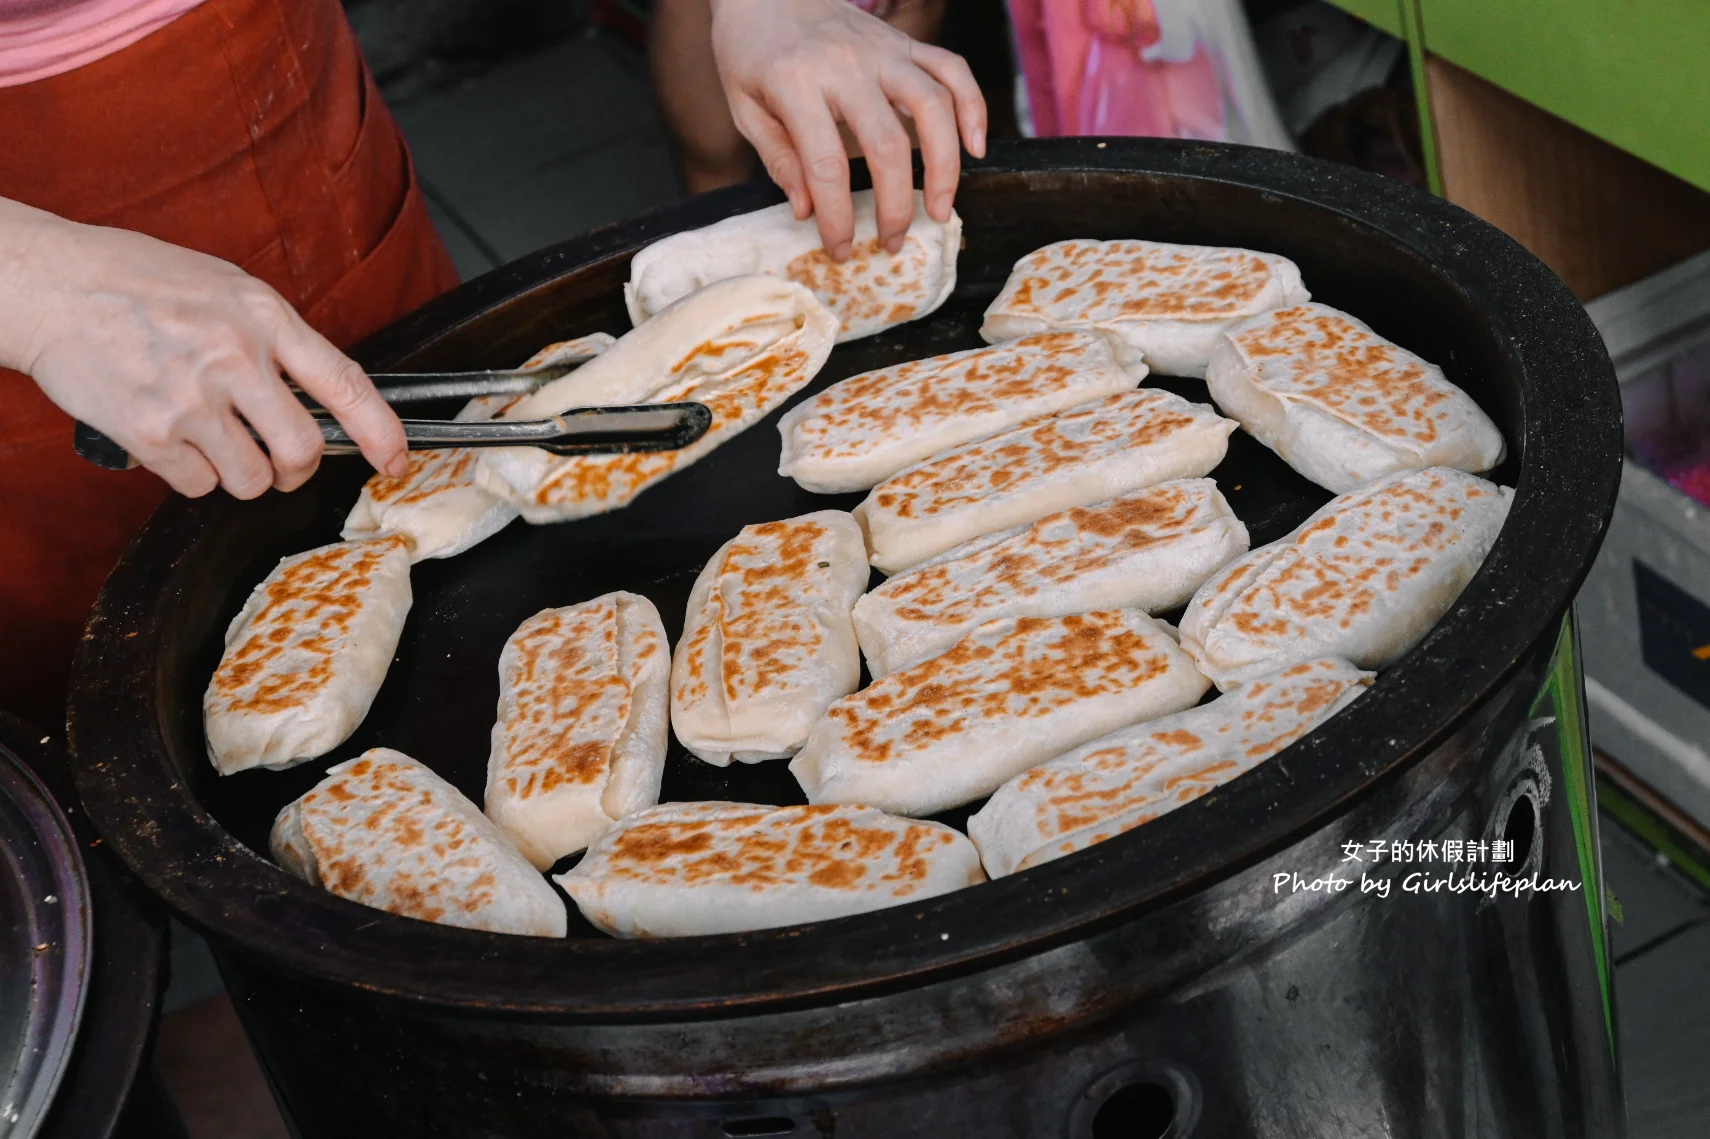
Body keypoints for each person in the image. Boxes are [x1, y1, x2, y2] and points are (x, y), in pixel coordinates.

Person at [0, 0, 986, 728]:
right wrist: (42, 292)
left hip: (287, 114)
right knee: (96, 741)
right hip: (35, 308)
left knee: (429, 592)